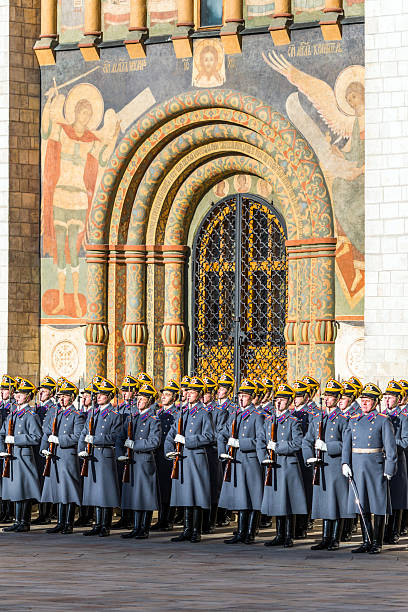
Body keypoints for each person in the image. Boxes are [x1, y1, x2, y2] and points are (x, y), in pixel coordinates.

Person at [342, 383, 397, 554]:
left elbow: (390, 447)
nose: (364, 403)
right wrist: (345, 462)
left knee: (378, 505)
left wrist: (389, 468)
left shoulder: (382, 420)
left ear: (375, 402)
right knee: (361, 503)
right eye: (363, 400)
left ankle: (377, 542)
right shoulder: (354, 420)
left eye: (368, 401)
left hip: (375, 467)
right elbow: (347, 444)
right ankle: (366, 540)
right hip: (358, 466)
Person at [303, 379, 352, 551]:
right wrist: (309, 456)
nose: (327, 399)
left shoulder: (343, 419)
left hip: (334, 465)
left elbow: (346, 444)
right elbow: (306, 440)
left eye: (331, 396)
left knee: (336, 503)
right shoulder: (318, 417)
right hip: (320, 466)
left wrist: (327, 447)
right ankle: (325, 538)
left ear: (338, 398)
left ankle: (335, 538)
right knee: (324, 502)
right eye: (326, 396)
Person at [165, 376, 215, 543]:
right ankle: (186, 529)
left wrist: (188, 441)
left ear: (199, 395)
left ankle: (196, 530)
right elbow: (171, 434)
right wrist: (170, 450)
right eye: (187, 391)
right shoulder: (182, 412)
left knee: (196, 495)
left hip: (196, 458)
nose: (188, 395)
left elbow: (209, 436)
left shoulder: (204, 413)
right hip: (182, 458)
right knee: (185, 495)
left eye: (192, 392)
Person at [259, 383, 307, 548]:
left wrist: (278, 447)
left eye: (283, 400)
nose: (279, 403)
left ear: (289, 402)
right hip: (272, 464)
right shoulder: (269, 420)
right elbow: (260, 440)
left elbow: (298, 443)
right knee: (276, 500)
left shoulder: (293, 421)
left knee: (288, 501)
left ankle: (288, 535)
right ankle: (279, 534)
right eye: (277, 399)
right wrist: (264, 456)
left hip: (287, 465)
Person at [218, 379, 264, 545]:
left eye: (245, 396)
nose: (241, 399)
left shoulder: (257, 416)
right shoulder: (235, 414)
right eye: (240, 396)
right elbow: (222, 433)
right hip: (236, 460)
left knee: (252, 498)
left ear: (252, 398)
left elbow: (260, 440)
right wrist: (223, 451)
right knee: (241, 498)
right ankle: (241, 531)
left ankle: (250, 533)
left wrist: (240, 443)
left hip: (250, 461)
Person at [40, 379, 85, 534]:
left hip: (67, 455)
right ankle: (59, 522)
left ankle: (68, 523)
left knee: (68, 489)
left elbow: (78, 436)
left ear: (72, 398)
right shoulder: (56, 412)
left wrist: (60, 440)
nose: (61, 399)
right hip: (55, 455)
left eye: (65, 396)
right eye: (59, 396)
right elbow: (47, 431)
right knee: (57, 488)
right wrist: (45, 448)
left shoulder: (76, 415)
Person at [79, 377, 122, 537]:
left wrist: (95, 439)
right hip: (92, 455)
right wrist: (82, 448)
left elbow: (115, 437)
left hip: (104, 455)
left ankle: (105, 524)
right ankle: (97, 523)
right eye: (98, 394)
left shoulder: (114, 414)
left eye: (102, 394)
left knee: (105, 492)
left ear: (109, 396)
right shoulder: (93, 413)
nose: (98, 396)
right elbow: (84, 432)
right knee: (95, 491)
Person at [118, 383, 162, 540]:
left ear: (149, 401)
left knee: (145, 495)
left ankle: (144, 528)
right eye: (138, 399)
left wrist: (135, 445)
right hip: (132, 460)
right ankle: (136, 527)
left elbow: (154, 441)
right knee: (135, 495)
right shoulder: (133, 417)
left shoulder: (153, 419)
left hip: (144, 460)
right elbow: (120, 435)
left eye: (142, 399)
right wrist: (120, 452)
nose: (138, 402)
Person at [0, 378, 42, 532]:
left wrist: (16, 439)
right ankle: (17, 521)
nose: (17, 396)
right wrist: (2, 448)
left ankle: (24, 521)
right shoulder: (13, 415)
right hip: (11, 456)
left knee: (23, 489)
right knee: (15, 489)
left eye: (21, 394)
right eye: (16, 393)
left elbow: (36, 437)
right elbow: (2, 433)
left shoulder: (31, 415)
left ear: (29, 397)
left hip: (23, 456)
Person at [151, 379, 181, 531]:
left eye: (168, 394)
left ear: (174, 398)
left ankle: (168, 519)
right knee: (159, 487)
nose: (163, 397)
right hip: (157, 452)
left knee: (167, 488)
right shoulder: (158, 412)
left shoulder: (176, 414)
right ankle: (161, 517)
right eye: (163, 394)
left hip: (167, 453)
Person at [382, 380, 408, 545]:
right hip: (382, 462)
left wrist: (389, 443)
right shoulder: (381, 416)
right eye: (386, 397)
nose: (387, 400)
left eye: (391, 397)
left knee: (397, 497)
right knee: (385, 497)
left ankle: (394, 531)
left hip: (398, 460)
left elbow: (405, 442)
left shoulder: (403, 418)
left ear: (399, 399)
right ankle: (384, 530)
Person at [202, 376, 228, 533]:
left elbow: (219, 433)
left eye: (206, 393)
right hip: (200, 453)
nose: (203, 396)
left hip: (212, 452)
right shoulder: (196, 411)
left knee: (212, 487)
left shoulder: (219, 411)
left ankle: (211, 521)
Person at [32, 375, 58, 526]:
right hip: (36, 447)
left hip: (46, 447)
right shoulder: (37, 407)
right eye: (40, 390)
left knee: (45, 479)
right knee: (39, 480)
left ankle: (46, 513)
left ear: (51, 393)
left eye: (44, 391)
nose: (41, 392)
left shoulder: (52, 408)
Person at [291, 380, 314, 539]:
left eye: (299, 396)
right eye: (295, 395)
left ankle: (302, 525)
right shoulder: (290, 413)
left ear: (306, 397)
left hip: (303, 456)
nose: (296, 398)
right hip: (292, 457)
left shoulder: (311, 414)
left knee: (305, 492)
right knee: (293, 492)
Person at [0, 375, 15, 522]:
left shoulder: (13, 408)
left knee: (7, 481)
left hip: (9, 447)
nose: (2, 392)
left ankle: (8, 512)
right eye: (1, 389)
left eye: (5, 389)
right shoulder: (1, 406)